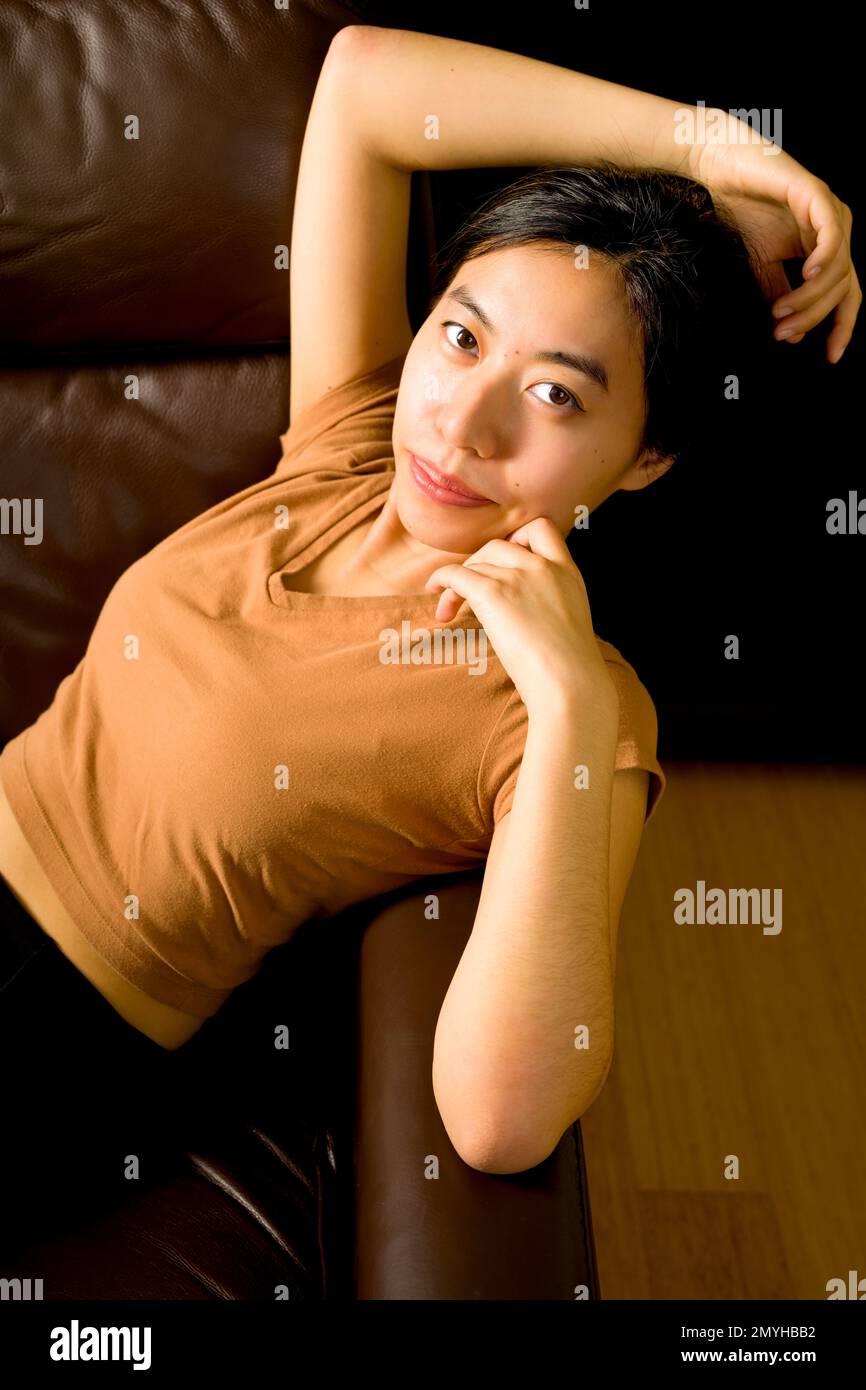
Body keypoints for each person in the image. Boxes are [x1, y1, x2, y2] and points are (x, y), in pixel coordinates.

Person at [0, 26, 858, 1256]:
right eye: (459, 335)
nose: (461, 417)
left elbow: (502, 1118)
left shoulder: (560, 710)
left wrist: (566, 704)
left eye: (557, 393)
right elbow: (360, 85)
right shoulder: (350, 440)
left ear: (646, 457)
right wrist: (712, 141)